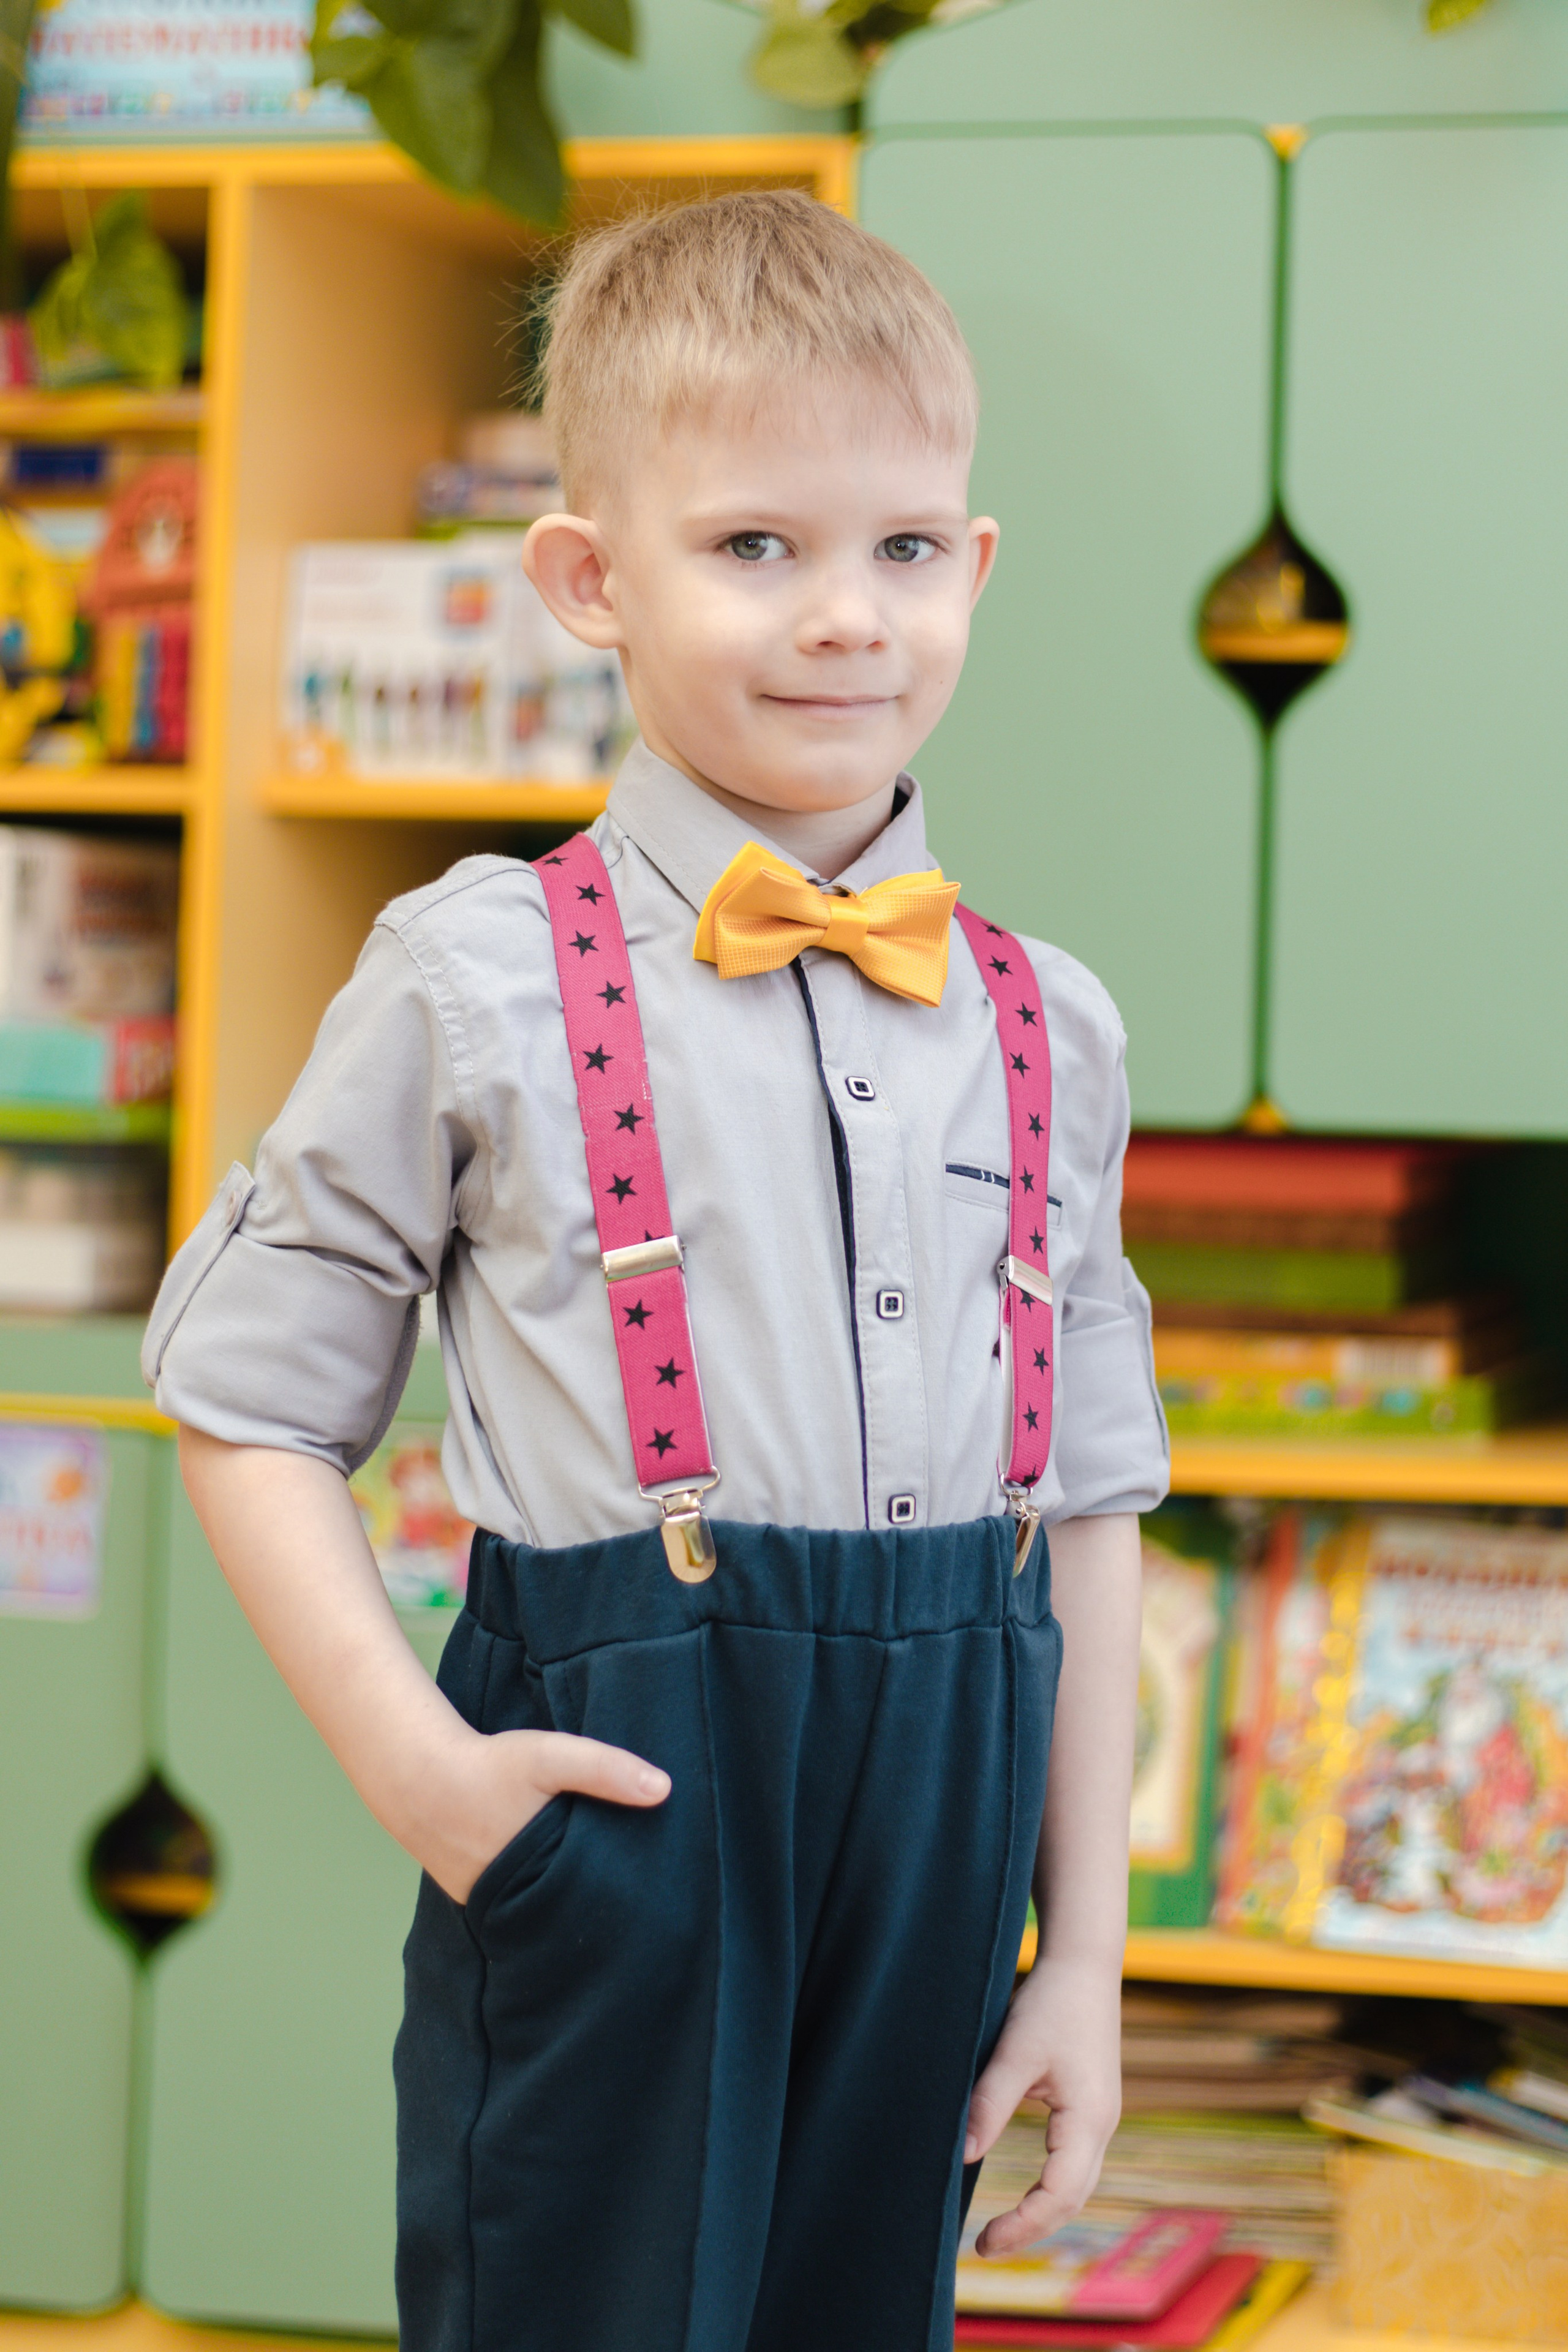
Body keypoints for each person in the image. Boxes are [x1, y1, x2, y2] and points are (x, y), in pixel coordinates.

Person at [145, 190, 1168, 2352]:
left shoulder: (1045, 1017)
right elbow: (247, 1396)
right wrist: (421, 1775)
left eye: (902, 549)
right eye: (755, 548)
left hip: (951, 1805)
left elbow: (1085, 1500)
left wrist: (1079, 1950)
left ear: (973, 568)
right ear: (591, 582)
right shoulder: (476, 972)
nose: (842, 619)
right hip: (627, 1784)